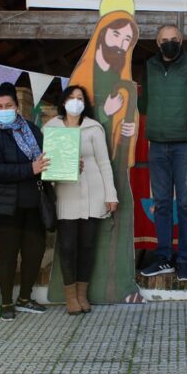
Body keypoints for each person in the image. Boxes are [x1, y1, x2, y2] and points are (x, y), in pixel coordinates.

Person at [66, 0, 143, 303]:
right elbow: (72, 117)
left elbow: (130, 111)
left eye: (127, 40)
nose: (121, 44)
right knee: (85, 229)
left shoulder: (121, 77)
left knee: (121, 217)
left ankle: (121, 286)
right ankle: (83, 291)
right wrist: (105, 113)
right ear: (101, 34)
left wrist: (130, 127)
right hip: (87, 168)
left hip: (116, 163)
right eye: (116, 35)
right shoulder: (82, 77)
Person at [139, 24, 187, 281]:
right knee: (161, 204)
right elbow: (142, 102)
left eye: (173, 39)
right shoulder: (149, 66)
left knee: (185, 204)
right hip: (157, 144)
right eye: (163, 40)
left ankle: (184, 259)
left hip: (185, 146)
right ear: (157, 43)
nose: (168, 43)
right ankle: (163, 258)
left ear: (180, 40)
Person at [0, 82, 49, 321]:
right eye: (0, 106)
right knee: (8, 253)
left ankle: (25, 298)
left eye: (9, 105)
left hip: (32, 204)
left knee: (34, 251)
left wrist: (64, 166)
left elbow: (45, 159)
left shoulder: (32, 130)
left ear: (18, 107)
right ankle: (6, 302)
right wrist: (30, 168)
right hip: (1, 207)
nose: (4, 109)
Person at [46, 85, 118, 315]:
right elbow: (46, 163)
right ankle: (70, 297)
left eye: (80, 98)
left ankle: (81, 295)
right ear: (63, 101)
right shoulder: (51, 127)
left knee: (87, 246)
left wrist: (111, 194)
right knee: (67, 247)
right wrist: (63, 167)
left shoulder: (94, 128)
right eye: (71, 98)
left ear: (85, 104)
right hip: (65, 194)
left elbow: (104, 163)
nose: (75, 102)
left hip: (93, 193)